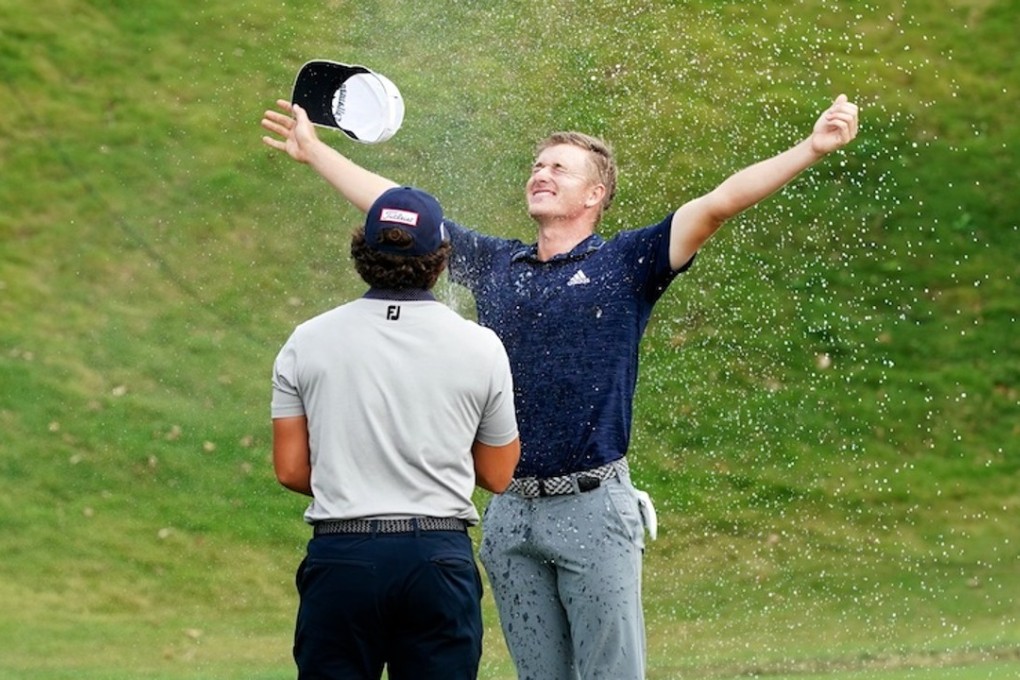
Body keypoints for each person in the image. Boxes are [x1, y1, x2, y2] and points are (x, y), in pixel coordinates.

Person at [262, 93, 859, 679]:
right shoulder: (497, 265)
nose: (540, 174)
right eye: (537, 165)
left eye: (559, 168)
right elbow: (403, 212)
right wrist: (316, 153)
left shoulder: (628, 261)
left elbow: (719, 204)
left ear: (595, 194)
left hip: (593, 505)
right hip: (511, 512)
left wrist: (810, 148)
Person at [270, 185, 521, 680]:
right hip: (437, 559)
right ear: (441, 260)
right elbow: (497, 474)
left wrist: (357, 474)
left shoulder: (307, 340)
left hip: (342, 558)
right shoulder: (481, 347)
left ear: (362, 254)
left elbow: (291, 470)